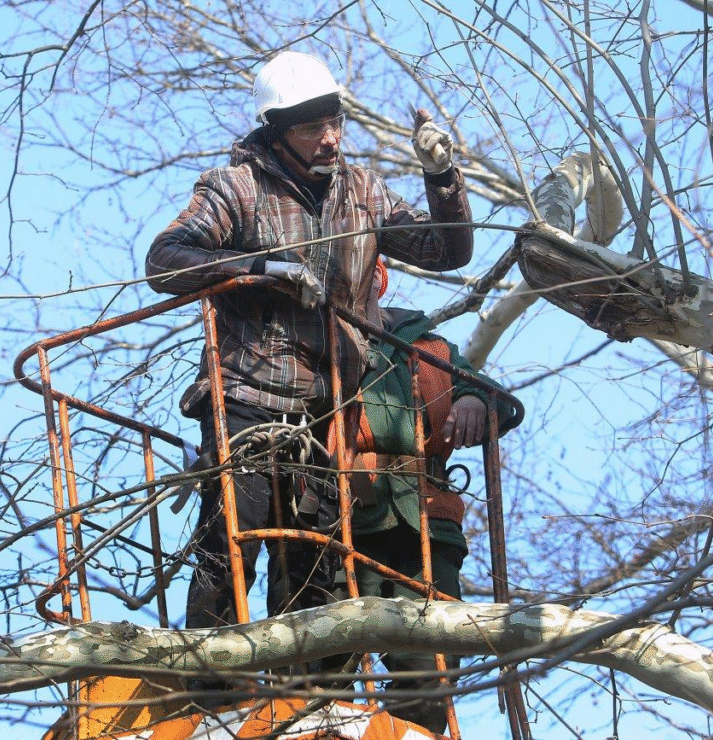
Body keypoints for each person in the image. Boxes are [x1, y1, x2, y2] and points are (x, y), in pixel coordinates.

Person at [144, 49, 474, 636]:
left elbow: (446, 251)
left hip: (333, 408)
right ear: (277, 131)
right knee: (232, 541)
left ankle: (305, 699)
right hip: (248, 394)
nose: (329, 138)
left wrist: (441, 175)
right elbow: (166, 261)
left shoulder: (362, 192)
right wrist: (262, 267)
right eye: (311, 127)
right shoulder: (236, 188)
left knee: (316, 560)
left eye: (335, 123)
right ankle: (207, 683)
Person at [337, 259, 523, 733]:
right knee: (328, 660)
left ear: (378, 280)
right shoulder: (316, 336)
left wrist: (474, 399)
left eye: (363, 270)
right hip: (344, 518)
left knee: (431, 664)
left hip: (428, 520)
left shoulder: (428, 344)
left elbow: (495, 397)